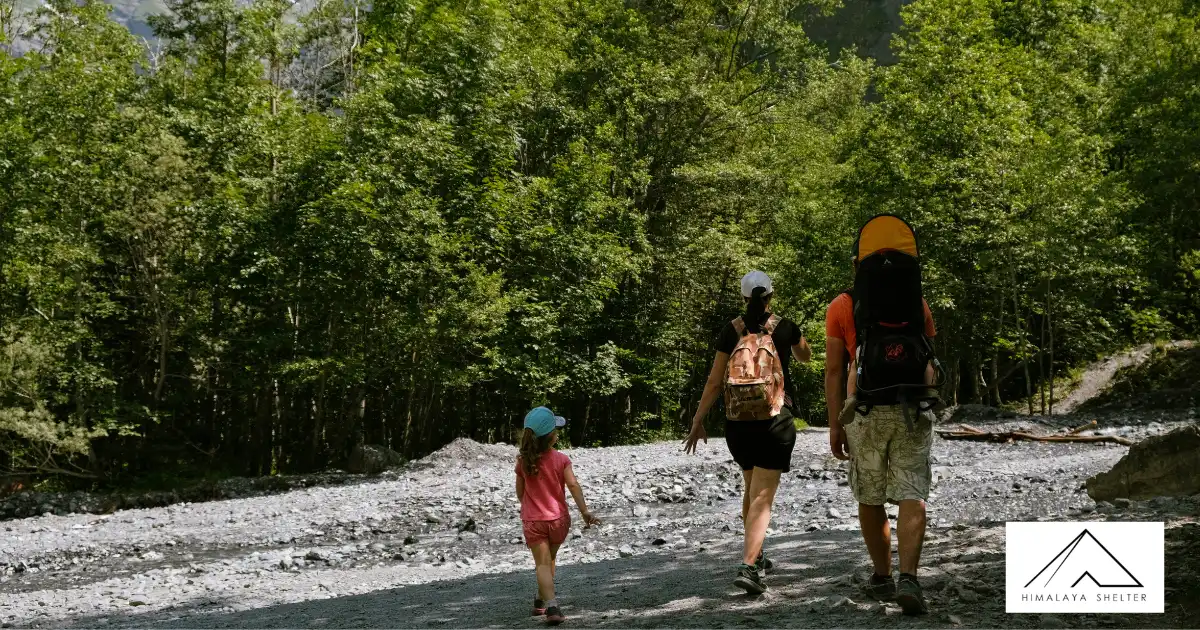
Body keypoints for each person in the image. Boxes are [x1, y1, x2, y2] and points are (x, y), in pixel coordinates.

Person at [683, 270, 811, 594]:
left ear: (743, 298)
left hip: (738, 425)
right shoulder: (784, 327)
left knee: (752, 490)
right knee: (763, 497)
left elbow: (714, 382)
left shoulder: (731, 330)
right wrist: (794, 345)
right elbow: (806, 356)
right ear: (771, 295)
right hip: (774, 421)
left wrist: (698, 420)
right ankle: (749, 565)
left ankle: (757, 553)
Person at [824, 253, 938, 616]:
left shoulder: (842, 305)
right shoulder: (916, 300)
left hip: (866, 410)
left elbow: (833, 370)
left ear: (856, 265)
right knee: (912, 491)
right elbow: (929, 356)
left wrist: (835, 423)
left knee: (870, 495)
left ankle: (882, 575)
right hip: (911, 408)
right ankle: (909, 578)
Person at [516, 406, 601, 625]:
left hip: (534, 521)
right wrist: (585, 512)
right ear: (551, 436)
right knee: (549, 560)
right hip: (558, 520)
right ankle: (541, 601)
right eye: (556, 429)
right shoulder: (561, 459)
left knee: (542, 564)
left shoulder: (523, 461)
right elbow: (572, 485)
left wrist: (530, 505)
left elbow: (520, 493)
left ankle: (550, 604)